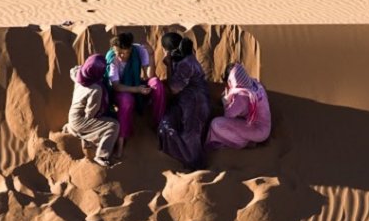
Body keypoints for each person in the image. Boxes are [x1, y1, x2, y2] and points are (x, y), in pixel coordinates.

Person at [105, 32, 166, 157]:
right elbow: (116, 85)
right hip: (119, 90)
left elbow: (150, 76)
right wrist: (137, 90)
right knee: (127, 100)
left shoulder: (138, 50)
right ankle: (121, 140)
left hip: (137, 83)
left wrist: (151, 55)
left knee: (156, 84)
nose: (123, 56)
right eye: (120, 53)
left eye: (126, 52)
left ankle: (158, 123)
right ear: (114, 49)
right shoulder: (112, 59)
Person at [157, 32, 211, 170]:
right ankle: (183, 159)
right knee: (166, 125)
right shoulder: (182, 57)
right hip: (184, 102)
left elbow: (173, 88)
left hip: (195, 103)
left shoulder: (186, 63)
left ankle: (196, 168)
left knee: (190, 136)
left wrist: (168, 65)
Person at [65, 54, 119, 167]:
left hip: (72, 116)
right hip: (81, 120)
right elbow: (91, 114)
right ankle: (101, 155)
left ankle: (74, 129)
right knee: (113, 126)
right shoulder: (96, 89)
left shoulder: (79, 74)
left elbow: (72, 70)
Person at [206, 62, 271, 150]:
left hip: (258, 131)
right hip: (265, 126)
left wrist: (226, 101)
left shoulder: (241, 96)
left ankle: (241, 143)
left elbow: (228, 116)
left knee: (216, 124)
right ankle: (248, 138)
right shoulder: (255, 83)